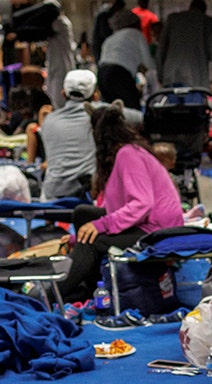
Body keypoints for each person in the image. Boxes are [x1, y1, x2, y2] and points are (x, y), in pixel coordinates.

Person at [57, 103, 182, 302]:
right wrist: (80, 235)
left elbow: (142, 204)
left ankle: (55, 293)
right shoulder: (123, 154)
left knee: (92, 241)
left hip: (156, 231)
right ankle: (88, 283)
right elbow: (112, 209)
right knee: (83, 213)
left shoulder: (128, 154)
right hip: (146, 224)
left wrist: (100, 226)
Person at [38, 70, 99, 200]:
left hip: (52, 195)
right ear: (95, 96)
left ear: (63, 94)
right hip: (85, 197)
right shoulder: (102, 114)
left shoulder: (49, 120)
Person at [157, 0, 212, 89]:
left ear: (190, 7)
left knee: (172, 102)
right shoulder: (211, 23)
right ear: (204, 10)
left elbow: (160, 50)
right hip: (197, 78)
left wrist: (160, 75)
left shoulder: (172, 19)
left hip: (171, 77)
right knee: (194, 102)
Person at [98, 9, 154, 109]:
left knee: (111, 111)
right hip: (118, 74)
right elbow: (149, 65)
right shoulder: (136, 34)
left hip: (102, 75)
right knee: (133, 112)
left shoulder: (110, 38)